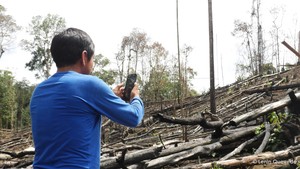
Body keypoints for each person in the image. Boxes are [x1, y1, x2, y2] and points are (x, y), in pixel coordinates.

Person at [30, 27, 144, 169]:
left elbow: (73, 110)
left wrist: (110, 95)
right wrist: (135, 97)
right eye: (93, 58)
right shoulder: (90, 84)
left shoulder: (39, 91)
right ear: (84, 57)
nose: (93, 63)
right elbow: (133, 117)